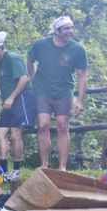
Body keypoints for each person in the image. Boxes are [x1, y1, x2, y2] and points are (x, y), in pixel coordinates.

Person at [27, 16, 88, 170]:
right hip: (42, 89)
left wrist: (80, 101)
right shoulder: (41, 44)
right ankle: (45, 164)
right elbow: (29, 61)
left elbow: (82, 75)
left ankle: (62, 166)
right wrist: (33, 79)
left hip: (64, 90)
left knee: (62, 125)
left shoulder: (78, 49)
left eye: (72, 28)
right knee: (43, 125)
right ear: (56, 31)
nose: (70, 31)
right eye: (67, 28)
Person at [0, 31, 37, 181]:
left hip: (22, 99)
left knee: (15, 134)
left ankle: (17, 170)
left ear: (1, 47)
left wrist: (11, 98)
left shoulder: (12, 58)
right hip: (8, 101)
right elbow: (2, 78)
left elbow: (24, 79)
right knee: (0, 134)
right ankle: (4, 171)